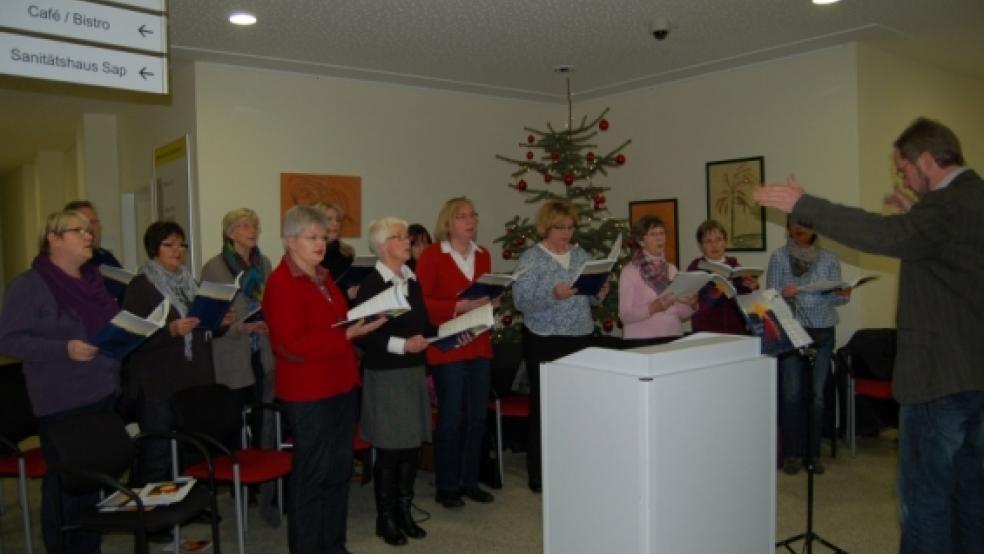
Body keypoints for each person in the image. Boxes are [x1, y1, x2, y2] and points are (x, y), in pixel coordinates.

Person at [755, 117, 984, 553]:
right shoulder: (975, 197)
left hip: (939, 379)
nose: (903, 178)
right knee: (970, 493)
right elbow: (947, 261)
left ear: (928, 161)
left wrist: (804, 203)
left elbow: (882, 234)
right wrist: (915, 216)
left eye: (904, 170)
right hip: (975, 374)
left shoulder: (947, 205)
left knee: (925, 501)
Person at [262, 205, 385, 554]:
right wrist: (346, 336)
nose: (320, 243)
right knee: (312, 476)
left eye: (322, 236)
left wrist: (363, 321)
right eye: (311, 237)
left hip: (340, 385)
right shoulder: (281, 283)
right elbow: (291, 345)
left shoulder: (324, 276)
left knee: (339, 470)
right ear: (290, 241)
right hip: (308, 393)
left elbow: (337, 323)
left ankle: (334, 545)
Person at [0, 209, 120, 554]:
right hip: (62, 400)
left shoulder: (93, 280)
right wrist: (63, 348)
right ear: (53, 238)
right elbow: (8, 340)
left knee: (92, 483)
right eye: (78, 231)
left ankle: (88, 547)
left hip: (100, 391)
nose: (89, 236)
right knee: (66, 487)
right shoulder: (29, 285)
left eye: (89, 230)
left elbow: (108, 328)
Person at [513, 200, 609, 492]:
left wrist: (599, 293)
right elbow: (521, 301)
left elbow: (588, 296)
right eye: (560, 227)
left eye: (570, 227)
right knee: (545, 407)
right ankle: (539, 473)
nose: (566, 233)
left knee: (577, 407)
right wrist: (553, 294)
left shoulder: (581, 255)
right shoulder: (532, 257)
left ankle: (574, 466)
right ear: (546, 227)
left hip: (580, 336)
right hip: (545, 338)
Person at [122, 221, 225, 484]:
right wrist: (171, 331)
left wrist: (219, 322)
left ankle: (187, 505)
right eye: (169, 244)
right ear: (154, 248)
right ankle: (152, 518)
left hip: (192, 378)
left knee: (190, 449)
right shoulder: (140, 286)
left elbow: (202, 328)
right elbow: (132, 339)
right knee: (159, 453)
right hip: (159, 382)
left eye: (181, 245)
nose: (177, 250)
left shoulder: (190, 282)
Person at [354, 217, 434, 546]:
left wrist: (446, 335)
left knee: (410, 446)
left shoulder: (412, 281)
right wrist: (403, 345)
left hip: (413, 370)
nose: (408, 242)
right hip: (386, 373)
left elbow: (423, 323)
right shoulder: (372, 284)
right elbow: (363, 335)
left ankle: (404, 510)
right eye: (400, 237)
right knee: (389, 450)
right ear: (384, 245)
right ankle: (384, 517)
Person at [200, 208, 280, 524]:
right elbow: (210, 317)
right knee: (233, 424)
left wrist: (267, 322)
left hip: (262, 352)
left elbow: (272, 302)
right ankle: (237, 488)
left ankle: (261, 484)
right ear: (230, 232)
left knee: (263, 420)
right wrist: (238, 328)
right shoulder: (215, 267)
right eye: (245, 225)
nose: (252, 230)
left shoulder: (264, 263)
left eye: (255, 225)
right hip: (232, 352)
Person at [416, 197, 496, 508]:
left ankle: (469, 480)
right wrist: (458, 306)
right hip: (448, 346)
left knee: (477, 417)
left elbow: (485, 295)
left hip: (479, 344)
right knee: (451, 417)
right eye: (462, 216)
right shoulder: (433, 255)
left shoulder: (484, 254)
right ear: (448, 223)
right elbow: (421, 302)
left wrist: (492, 300)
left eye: (472, 215)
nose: (470, 220)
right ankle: (447, 485)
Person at [766, 220, 849, 475]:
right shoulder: (779, 257)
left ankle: (813, 454)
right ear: (788, 228)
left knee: (817, 395)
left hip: (823, 332)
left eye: (804, 224)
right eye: (794, 224)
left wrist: (843, 295)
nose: (799, 228)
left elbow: (836, 298)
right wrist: (783, 295)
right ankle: (792, 453)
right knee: (791, 394)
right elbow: (770, 296)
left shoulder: (829, 258)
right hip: (792, 332)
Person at [618, 214, 695, 344]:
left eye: (662, 233)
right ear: (641, 241)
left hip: (673, 337)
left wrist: (691, 304)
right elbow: (624, 315)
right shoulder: (629, 271)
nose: (659, 238)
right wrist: (653, 308)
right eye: (653, 234)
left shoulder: (672, 269)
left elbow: (681, 314)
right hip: (642, 342)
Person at [685, 219, 758, 334]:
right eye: (708, 241)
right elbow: (694, 301)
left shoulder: (735, 266)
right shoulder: (695, 268)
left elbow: (745, 302)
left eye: (719, 240)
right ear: (701, 245)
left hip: (736, 329)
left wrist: (752, 288)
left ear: (725, 242)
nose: (714, 245)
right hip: (706, 330)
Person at [317, 202, 358, 298]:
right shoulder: (312, 254)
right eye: (329, 219)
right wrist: (346, 294)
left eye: (338, 220)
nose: (335, 223)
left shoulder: (347, 252)